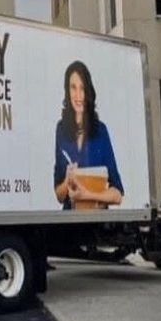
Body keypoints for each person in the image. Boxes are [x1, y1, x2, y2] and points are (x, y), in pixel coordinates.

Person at [53, 60, 124, 209]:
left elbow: (118, 194)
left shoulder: (100, 131)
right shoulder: (61, 129)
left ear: (88, 92)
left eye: (82, 88)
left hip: (97, 224)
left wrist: (86, 195)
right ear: (67, 90)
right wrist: (67, 180)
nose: (78, 95)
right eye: (73, 87)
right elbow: (59, 196)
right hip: (70, 224)